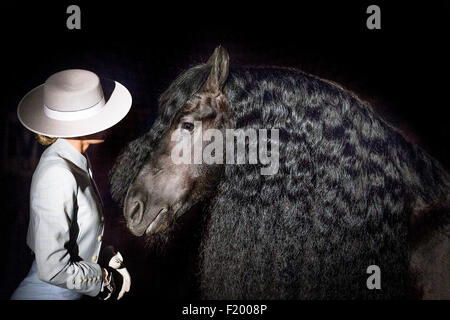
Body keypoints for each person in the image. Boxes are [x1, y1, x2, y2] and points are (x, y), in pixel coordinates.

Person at [11, 69, 132, 300]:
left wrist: (102, 255)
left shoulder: (75, 160)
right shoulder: (58, 173)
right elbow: (53, 269)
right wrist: (103, 276)